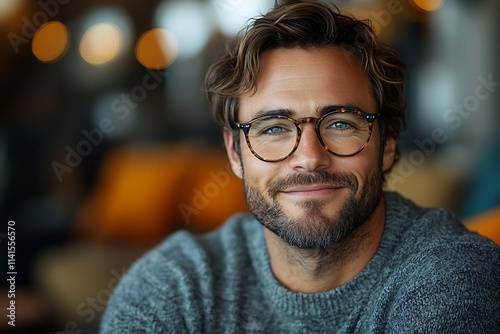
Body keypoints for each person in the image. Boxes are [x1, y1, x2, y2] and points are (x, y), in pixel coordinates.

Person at [100, 1, 500, 332]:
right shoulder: (175, 285)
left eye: (341, 123)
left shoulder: (455, 277)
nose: (309, 157)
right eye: (273, 128)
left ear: (389, 143)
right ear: (235, 153)